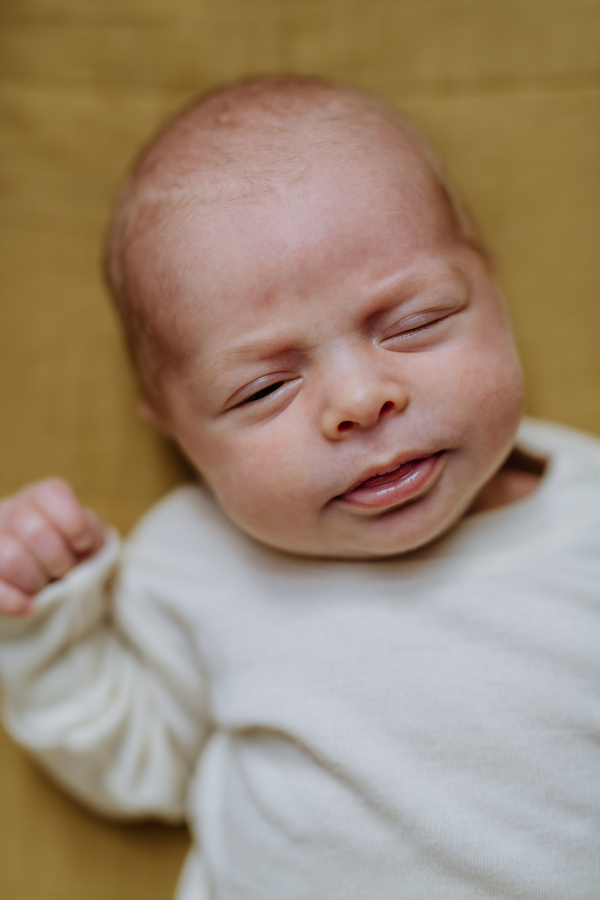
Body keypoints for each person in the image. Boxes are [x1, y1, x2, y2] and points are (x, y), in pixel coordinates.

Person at [0, 77, 599, 899]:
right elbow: (134, 762)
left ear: (492, 289)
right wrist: (48, 625)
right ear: (176, 429)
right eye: (262, 390)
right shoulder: (194, 561)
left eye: (414, 322)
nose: (360, 401)